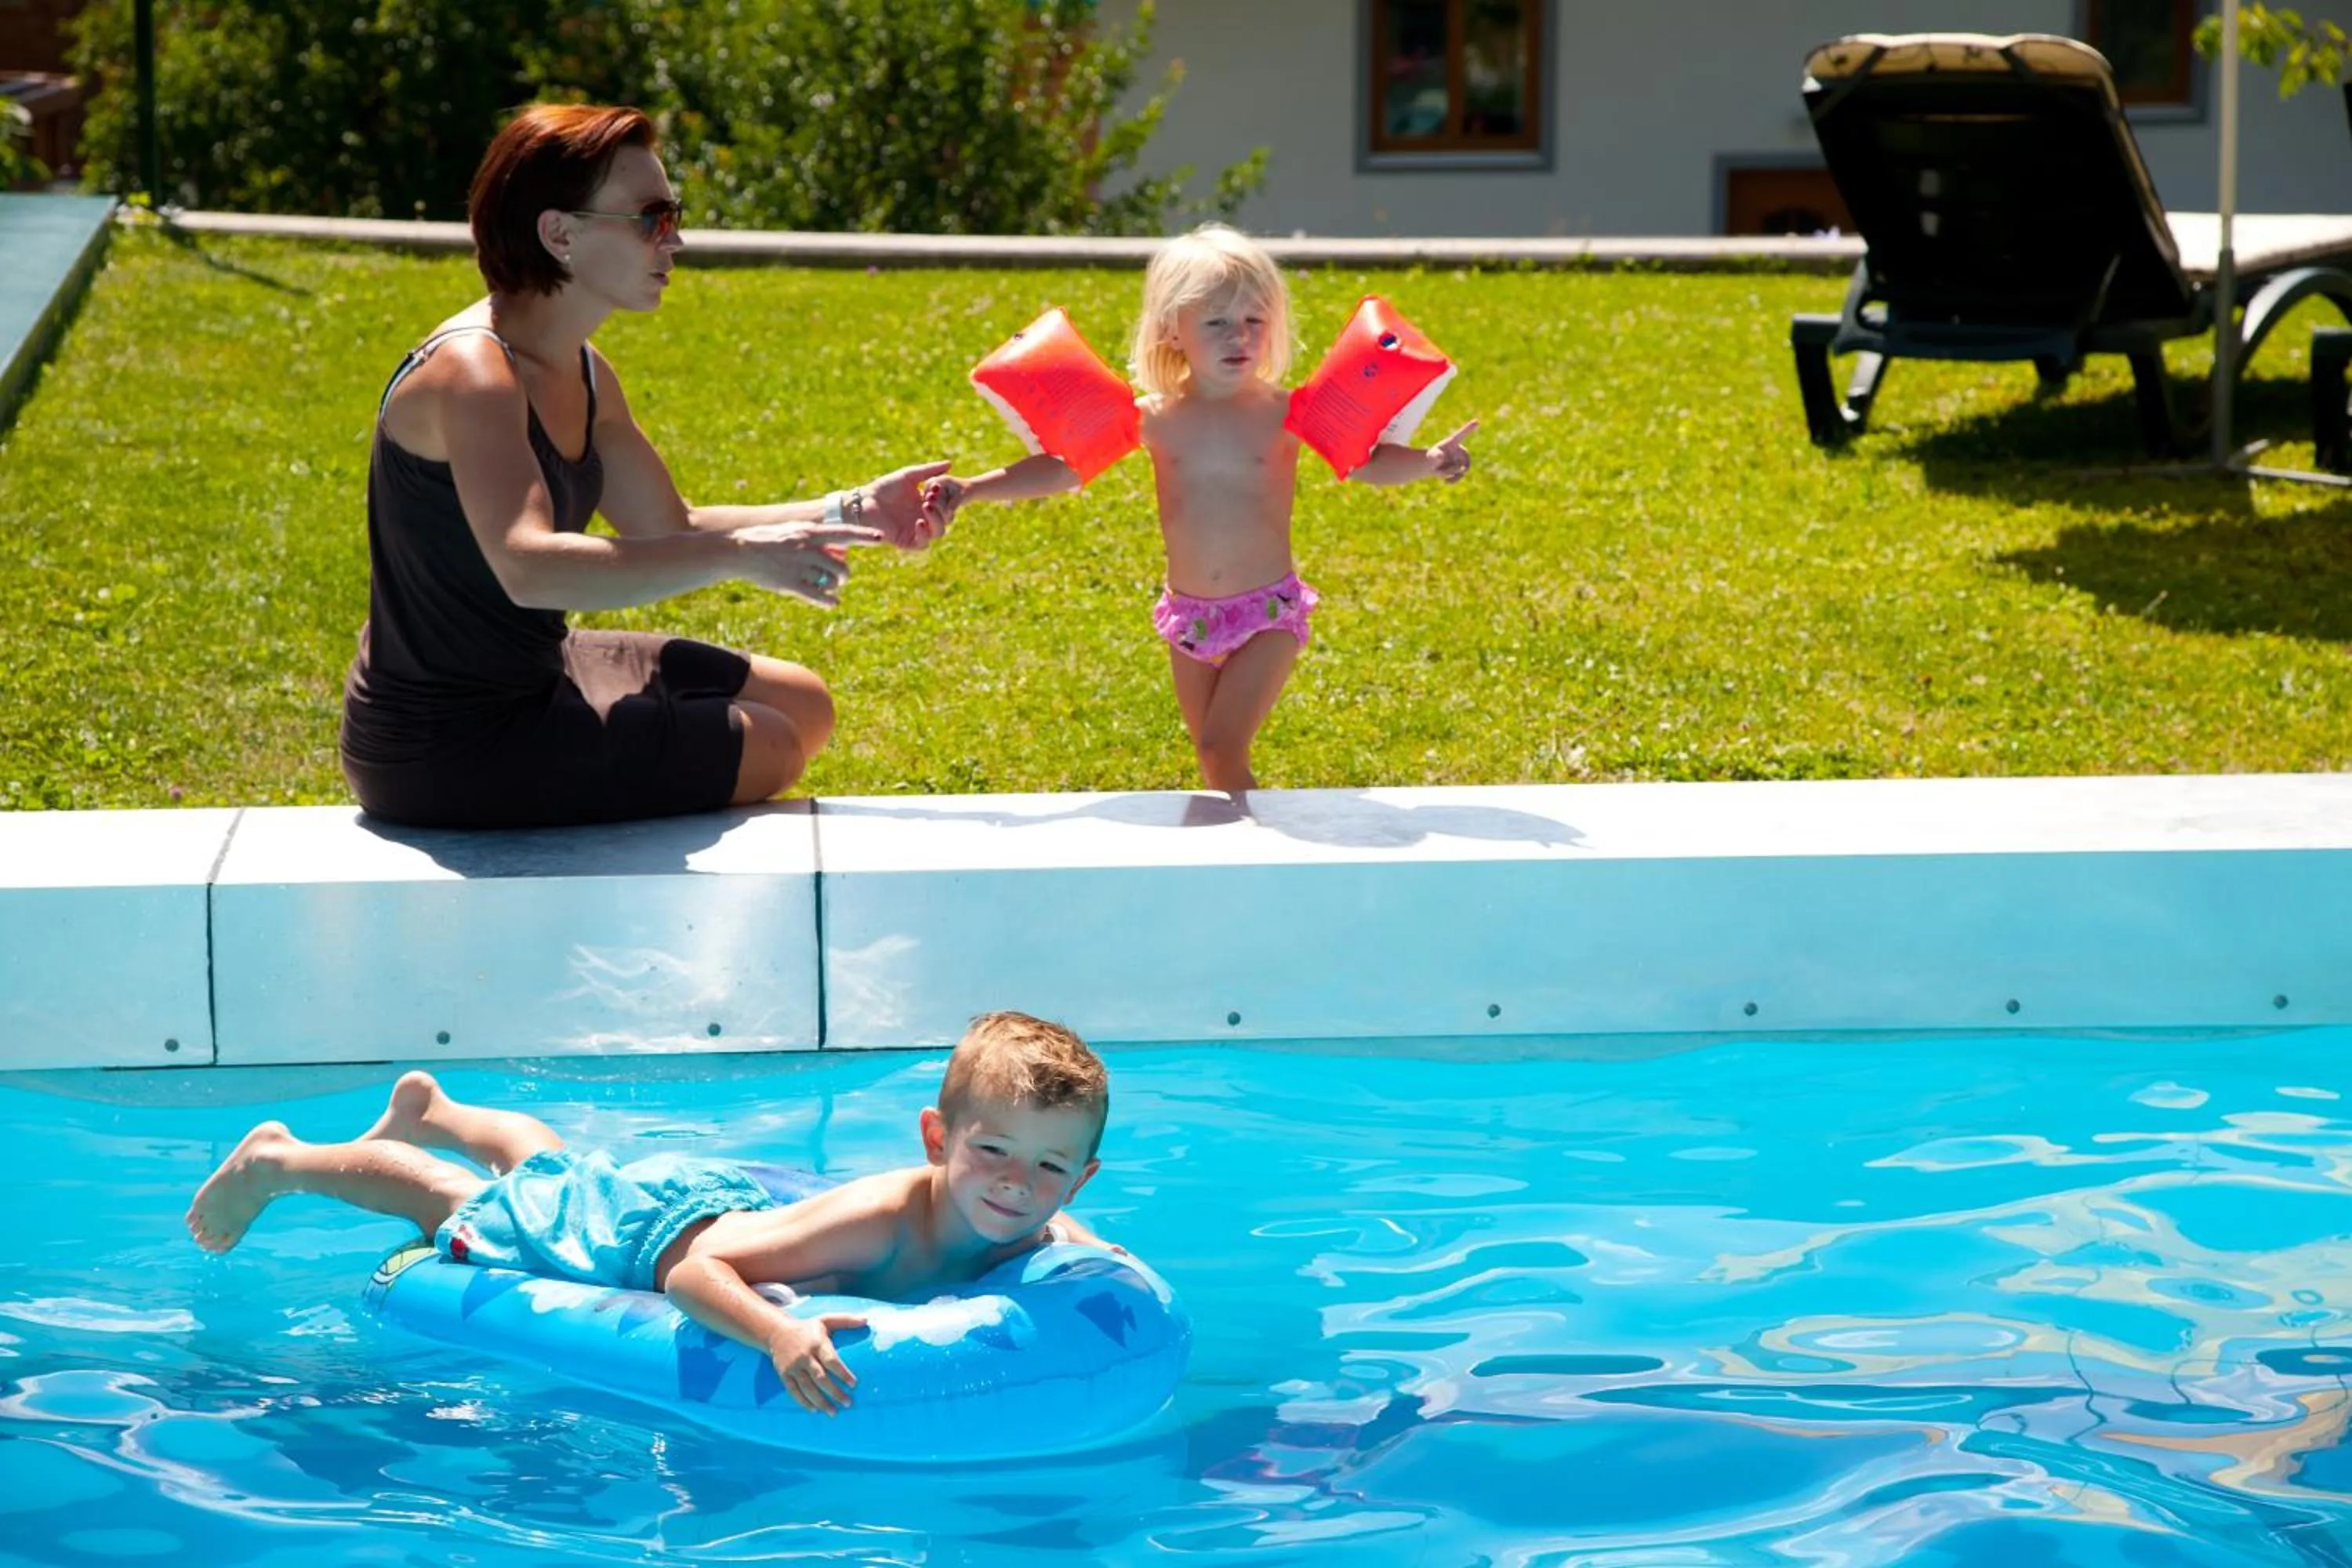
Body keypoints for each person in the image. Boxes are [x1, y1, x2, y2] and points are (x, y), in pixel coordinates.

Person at [340, 103, 952, 829]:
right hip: (449, 744)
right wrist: (734, 556)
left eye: (674, 214)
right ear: (559, 233)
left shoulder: (582, 368)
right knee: (776, 747)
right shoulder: (473, 372)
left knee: (805, 704)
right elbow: (529, 566)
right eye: (650, 218)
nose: (676, 239)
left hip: (540, 672)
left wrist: (846, 509)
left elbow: (670, 523)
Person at [186, 1011, 1116, 1416]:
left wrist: (1095, 1245)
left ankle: (438, 1110)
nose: (1015, 1184)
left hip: (703, 1203)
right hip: (652, 1238)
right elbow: (690, 1276)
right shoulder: (884, 1217)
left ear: (1079, 1179)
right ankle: (281, 1159)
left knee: (552, 1173)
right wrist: (779, 1332)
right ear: (935, 1137)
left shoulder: (1046, 1219)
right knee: (461, 1210)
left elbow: (1089, 1253)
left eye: (1048, 1166)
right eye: (991, 1151)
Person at [924, 223, 1477, 793]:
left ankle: (1263, 864)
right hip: (1188, 619)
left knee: (1221, 746)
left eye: (1254, 321)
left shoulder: (1284, 411)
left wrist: (1429, 461)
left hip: (1268, 615)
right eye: (1217, 322)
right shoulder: (1153, 416)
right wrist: (971, 488)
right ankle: (1244, 854)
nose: (1240, 337)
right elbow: (1064, 469)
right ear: (1173, 330)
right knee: (1215, 765)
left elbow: (1366, 464)